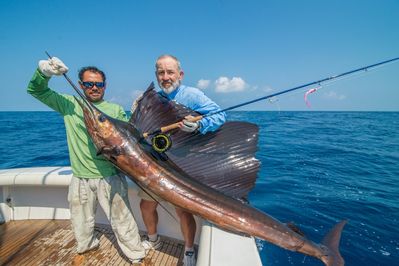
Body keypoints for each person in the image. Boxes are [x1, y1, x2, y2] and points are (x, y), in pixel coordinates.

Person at [27, 57, 147, 264]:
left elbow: (129, 140)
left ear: (105, 86)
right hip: (80, 177)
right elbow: (36, 91)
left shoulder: (115, 110)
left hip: (109, 176)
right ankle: (86, 247)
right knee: (81, 221)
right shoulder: (69, 104)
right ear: (81, 85)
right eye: (89, 84)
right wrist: (44, 73)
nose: (94, 87)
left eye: (98, 84)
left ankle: (136, 254)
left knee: (122, 220)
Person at [136, 54, 226, 266]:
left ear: (180, 74)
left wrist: (199, 125)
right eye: (161, 72)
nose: (165, 77)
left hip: (183, 165)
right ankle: (152, 240)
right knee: (146, 205)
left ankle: (188, 251)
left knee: (183, 211)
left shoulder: (192, 95)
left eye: (170, 72)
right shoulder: (153, 98)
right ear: (156, 75)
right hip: (156, 163)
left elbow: (220, 115)